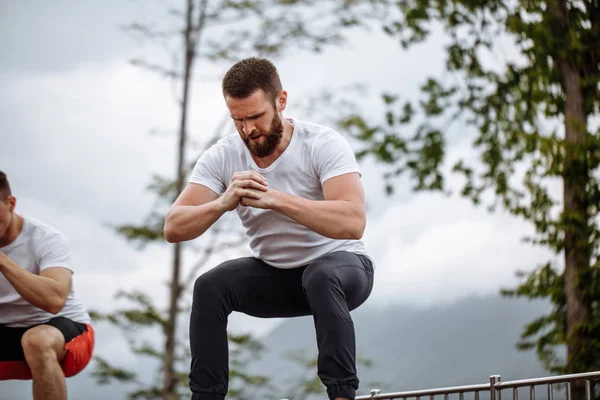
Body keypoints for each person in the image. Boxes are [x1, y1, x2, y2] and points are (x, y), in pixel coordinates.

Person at [164, 56, 374, 400]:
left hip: (342, 268)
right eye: (237, 120)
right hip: (277, 277)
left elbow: (353, 223)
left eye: (255, 117)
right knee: (209, 286)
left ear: (281, 101)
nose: (248, 130)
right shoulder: (222, 156)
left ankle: (341, 395)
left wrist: (275, 199)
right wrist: (222, 202)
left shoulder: (322, 143)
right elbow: (173, 227)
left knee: (320, 276)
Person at [0, 171, 94, 400]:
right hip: (6, 333)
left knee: (36, 341)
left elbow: (54, 301)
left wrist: (2, 260)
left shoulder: (45, 238)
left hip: (61, 333)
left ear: (10, 203)